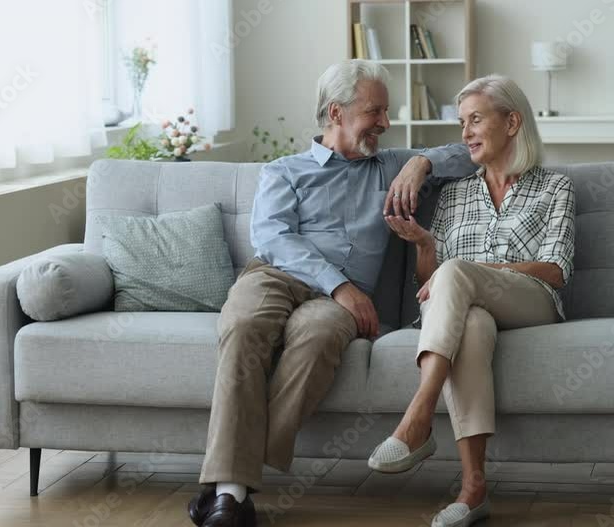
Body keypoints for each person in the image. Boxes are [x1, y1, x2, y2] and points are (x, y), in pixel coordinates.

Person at [187, 59, 476, 527]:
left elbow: (469, 155)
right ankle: (231, 492)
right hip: (275, 276)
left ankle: (225, 491)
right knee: (243, 328)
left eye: (386, 112)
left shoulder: (393, 165)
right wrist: (341, 286)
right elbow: (275, 238)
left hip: (333, 305)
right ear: (337, 113)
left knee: (319, 341)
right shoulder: (285, 170)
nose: (384, 122)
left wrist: (421, 162)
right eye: (375, 111)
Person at [367, 74, 576, 527]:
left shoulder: (555, 187)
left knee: (457, 273)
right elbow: (432, 285)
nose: (464, 134)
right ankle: (474, 489)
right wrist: (426, 247)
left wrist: (472, 272)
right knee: (473, 322)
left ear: (513, 122)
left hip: (531, 302)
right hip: (470, 307)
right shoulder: (455, 193)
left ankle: (418, 415)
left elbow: (555, 271)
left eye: (475, 120)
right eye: (462, 122)